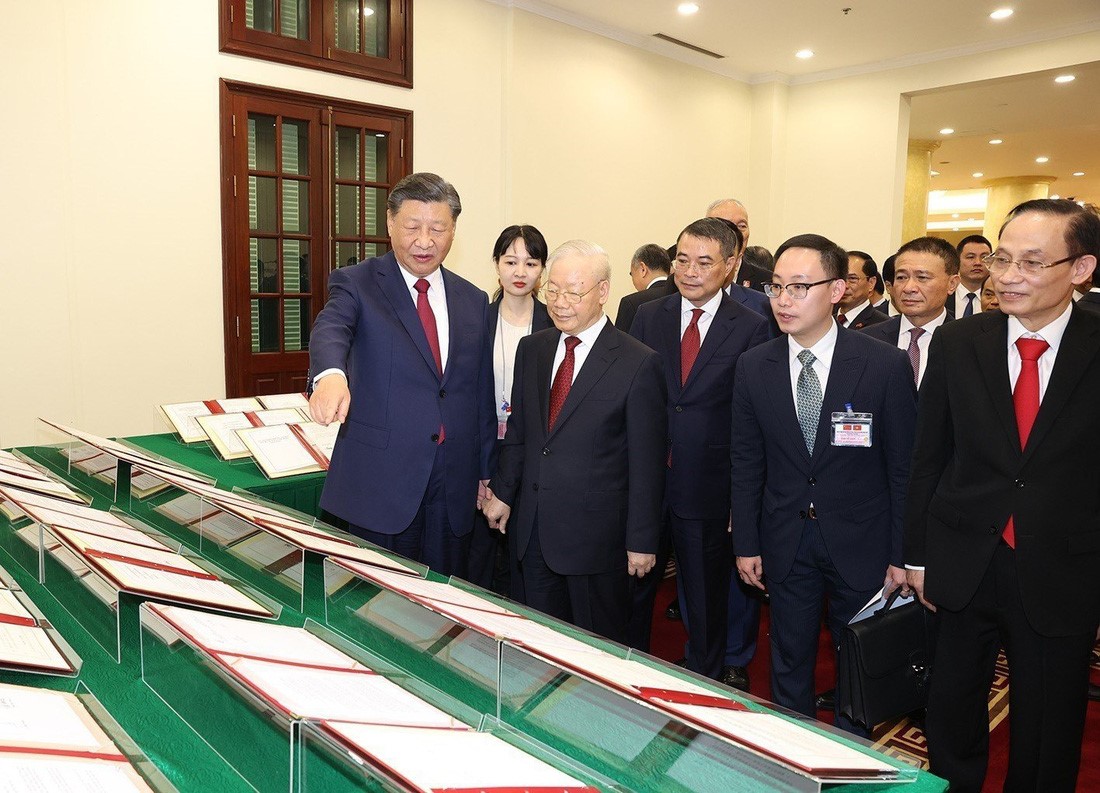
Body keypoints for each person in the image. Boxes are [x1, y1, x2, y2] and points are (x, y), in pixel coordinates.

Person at [905, 199, 1100, 793]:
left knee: (1050, 720)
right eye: (1001, 259)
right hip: (964, 558)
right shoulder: (961, 341)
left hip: (1064, 564)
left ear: (1082, 267)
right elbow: (928, 457)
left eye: (1032, 263)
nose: (1008, 276)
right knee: (952, 703)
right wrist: (916, 555)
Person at [730, 233, 916, 736]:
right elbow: (747, 462)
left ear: (836, 291)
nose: (784, 301)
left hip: (863, 541)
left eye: (799, 287)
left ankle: (852, 762)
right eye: (776, 288)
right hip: (785, 537)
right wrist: (745, 541)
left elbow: (903, 470)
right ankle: (796, 753)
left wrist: (902, 553)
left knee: (856, 660)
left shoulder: (883, 365)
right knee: (788, 657)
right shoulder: (754, 366)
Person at [309, 172, 496, 578]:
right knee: (377, 600)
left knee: (446, 598)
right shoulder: (357, 283)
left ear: (453, 231)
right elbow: (331, 328)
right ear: (390, 223)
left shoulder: (473, 299)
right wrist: (330, 374)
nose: (424, 241)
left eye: (438, 229)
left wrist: (485, 471)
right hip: (384, 480)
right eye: (412, 227)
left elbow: (478, 393)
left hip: (454, 481)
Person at [482, 241, 666, 643]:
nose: (560, 303)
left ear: (602, 291)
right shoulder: (533, 349)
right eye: (553, 290)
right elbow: (521, 434)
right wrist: (504, 492)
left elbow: (647, 464)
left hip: (597, 543)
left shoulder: (638, 362)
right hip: (532, 532)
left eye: (574, 292)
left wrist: (641, 540)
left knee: (593, 650)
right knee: (536, 646)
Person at [629, 218, 770, 684]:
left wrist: (742, 501)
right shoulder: (650, 315)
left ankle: (704, 684)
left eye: (704, 262)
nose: (689, 271)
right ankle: (627, 678)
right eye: (682, 260)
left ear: (731, 266)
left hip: (709, 487)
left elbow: (754, 422)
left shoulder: (753, 326)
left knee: (705, 598)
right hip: (646, 481)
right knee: (633, 592)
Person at [467, 225, 553, 596]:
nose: (520, 272)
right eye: (511, 261)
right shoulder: (474, 320)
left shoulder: (554, 322)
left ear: (542, 269)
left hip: (534, 451)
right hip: (483, 447)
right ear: (496, 265)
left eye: (531, 263)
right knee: (480, 554)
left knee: (525, 548)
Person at [861, 237, 958, 388]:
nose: (908, 288)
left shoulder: (967, 344)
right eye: (901, 277)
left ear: (952, 284)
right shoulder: (867, 340)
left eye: (922, 277)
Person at [614, 244, 676, 332]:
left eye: (632, 274)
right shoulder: (682, 296)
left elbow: (620, 343)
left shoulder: (631, 303)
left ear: (643, 269)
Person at [835, 251, 888, 329]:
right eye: (839, 278)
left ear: (871, 283)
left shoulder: (884, 326)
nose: (844, 286)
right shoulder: (824, 322)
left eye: (852, 278)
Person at [946, 234, 992, 318]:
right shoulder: (943, 295)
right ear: (957, 260)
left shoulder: (998, 299)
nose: (978, 262)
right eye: (971, 257)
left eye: (984, 257)